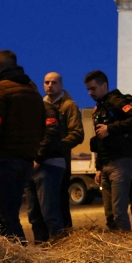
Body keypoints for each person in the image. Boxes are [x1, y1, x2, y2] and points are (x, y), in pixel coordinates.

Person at [0, 51, 46, 242]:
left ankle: (19, 257)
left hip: (5, 159)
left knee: (7, 216)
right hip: (26, 160)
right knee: (13, 211)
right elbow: (42, 124)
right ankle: (19, 255)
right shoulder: (32, 90)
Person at [85, 69, 132, 232]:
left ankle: (126, 248)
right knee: (110, 214)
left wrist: (111, 128)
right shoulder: (99, 108)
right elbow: (99, 141)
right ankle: (114, 249)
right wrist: (98, 168)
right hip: (106, 165)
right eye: (88, 89)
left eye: (93, 88)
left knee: (119, 212)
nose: (90, 93)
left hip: (121, 163)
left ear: (104, 85)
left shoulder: (117, 101)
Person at [43, 72, 85, 229]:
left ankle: (64, 238)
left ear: (61, 85)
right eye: (47, 82)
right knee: (44, 204)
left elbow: (77, 134)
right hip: (42, 160)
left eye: (54, 82)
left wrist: (57, 148)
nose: (49, 85)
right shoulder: (42, 104)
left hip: (60, 161)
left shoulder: (69, 106)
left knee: (59, 202)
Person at [25, 99, 67, 244]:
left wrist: (38, 158)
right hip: (33, 164)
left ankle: (59, 247)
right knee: (34, 213)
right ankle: (40, 245)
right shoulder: (27, 110)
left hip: (47, 163)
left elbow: (51, 132)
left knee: (49, 212)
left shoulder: (46, 109)